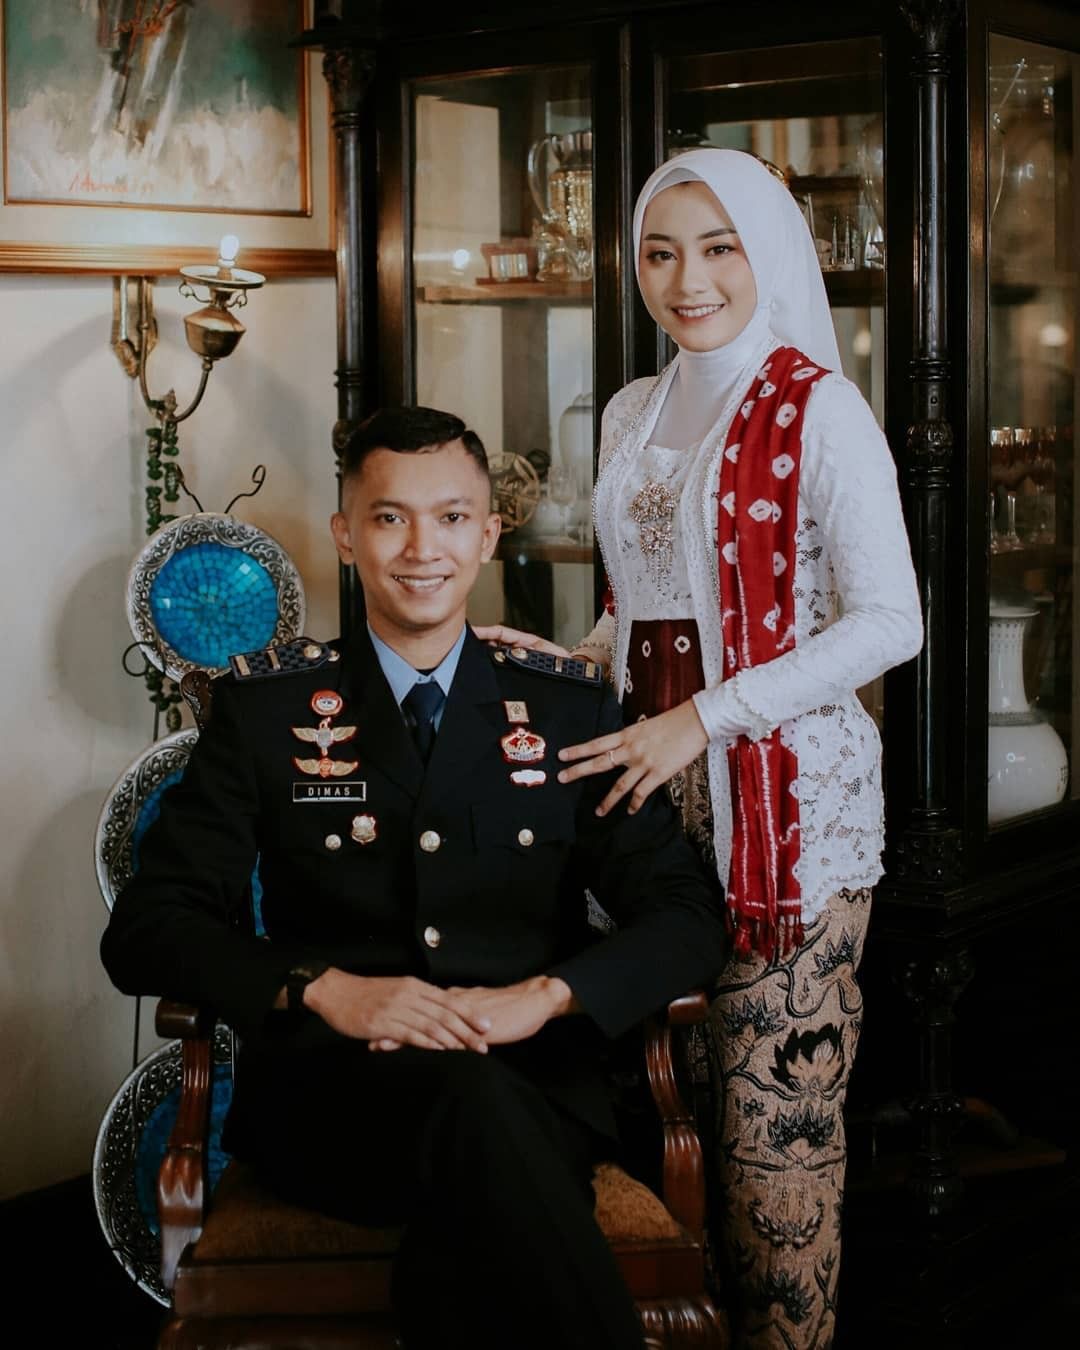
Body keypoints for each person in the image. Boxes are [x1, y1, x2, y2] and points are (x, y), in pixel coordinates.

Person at [101, 404, 730, 1350]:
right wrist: (325, 988)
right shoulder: (267, 714)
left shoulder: (563, 711)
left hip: (532, 1080)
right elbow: (148, 928)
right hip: (338, 1104)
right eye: (390, 518)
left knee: (477, 1165)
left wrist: (545, 998)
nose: (422, 548)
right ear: (346, 535)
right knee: (483, 1134)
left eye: (451, 517)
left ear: (489, 535)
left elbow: (686, 915)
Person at [477, 149, 923, 1349]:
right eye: (661, 252)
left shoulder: (822, 408)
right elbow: (643, 606)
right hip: (647, 796)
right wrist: (573, 659)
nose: (689, 280)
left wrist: (704, 717)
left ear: (768, 253)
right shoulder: (634, 409)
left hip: (787, 810)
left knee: (777, 1136)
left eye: (720, 248)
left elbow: (892, 622)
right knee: (666, 1104)